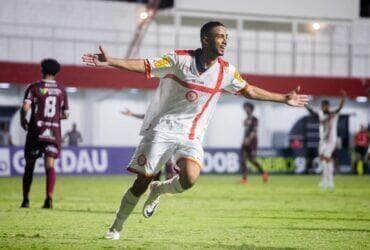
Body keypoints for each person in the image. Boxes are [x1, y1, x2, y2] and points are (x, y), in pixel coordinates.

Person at [82, 21, 308, 240]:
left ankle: (159, 190)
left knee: (189, 178)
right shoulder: (179, 59)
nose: (225, 41)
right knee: (141, 182)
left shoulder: (226, 71)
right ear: (205, 39)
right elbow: (145, 66)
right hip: (163, 129)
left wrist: (283, 98)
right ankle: (116, 226)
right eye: (221, 36)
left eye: (227, 38)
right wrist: (110, 61)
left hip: (191, 134)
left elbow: (249, 90)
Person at [20, 58, 69, 209]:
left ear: (42, 70)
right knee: (50, 166)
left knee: (30, 165)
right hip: (53, 132)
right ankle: (49, 198)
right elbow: (66, 114)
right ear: (56, 72)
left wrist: (23, 119)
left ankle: (26, 200)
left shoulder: (34, 88)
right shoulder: (61, 90)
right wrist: (53, 117)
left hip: (36, 131)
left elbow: (25, 107)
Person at [121, 108, 179, 180]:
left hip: (168, 142)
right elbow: (145, 116)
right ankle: (156, 184)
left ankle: (167, 184)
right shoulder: (159, 113)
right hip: (158, 142)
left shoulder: (172, 115)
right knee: (157, 165)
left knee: (169, 163)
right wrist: (132, 114)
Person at [305, 92, 346, 190]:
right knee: (323, 159)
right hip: (322, 140)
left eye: (325, 106)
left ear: (328, 106)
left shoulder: (333, 113)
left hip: (331, 140)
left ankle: (330, 182)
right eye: (323, 106)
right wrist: (304, 103)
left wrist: (343, 98)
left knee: (327, 158)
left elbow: (340, 108)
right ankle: (324, 181)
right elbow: (311, 111)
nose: (324, 108)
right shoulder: (320, 113)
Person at [240, 102, 268, 184]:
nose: (245, 109)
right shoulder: (246, 119)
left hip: (252, 142)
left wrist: (249, 139)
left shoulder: (254, 119)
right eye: (244, 107)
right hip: (245, 141)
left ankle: (264, 173)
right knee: (243, 159)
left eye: (246, 107)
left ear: (251, 108)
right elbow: (246, 131)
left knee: (252, 160)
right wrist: (244, 139)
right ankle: (244, 179)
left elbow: (254, 131)